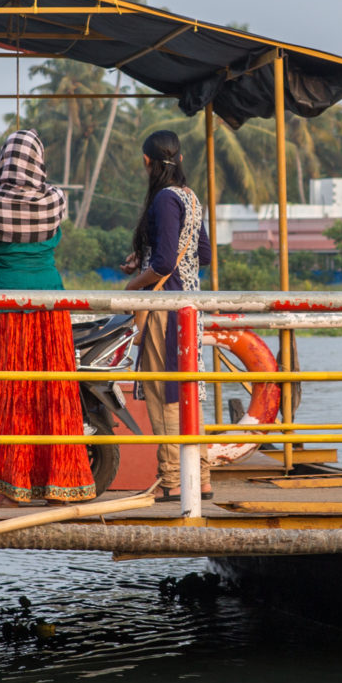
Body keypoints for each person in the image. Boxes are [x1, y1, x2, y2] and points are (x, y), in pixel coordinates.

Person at [0, 130, 97, 507]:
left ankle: (5, 488)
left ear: (4, 160)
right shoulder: (55, 200)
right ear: (38, 161)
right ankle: (59, 485)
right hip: (49, 306)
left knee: (6, 393)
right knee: (52, 392)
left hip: (6, 309)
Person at [121, 130, 212, 503]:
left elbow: (161, 264)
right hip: (189, 306)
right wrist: (143, 261)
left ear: (148, 161)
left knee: (164, 393)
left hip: (165, 310)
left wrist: (132, 286)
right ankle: (201, 476)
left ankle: (173, 479)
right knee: (186, 390)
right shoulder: (190, 197)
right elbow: (202, 255)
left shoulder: (163, 199)